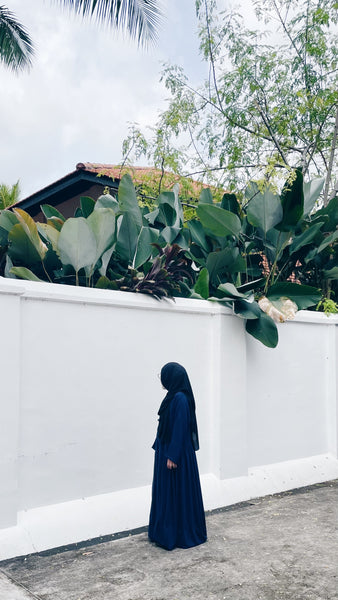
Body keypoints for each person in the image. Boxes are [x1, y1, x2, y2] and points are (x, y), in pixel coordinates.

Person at [148, 362, 207, 550]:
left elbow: (181, 428)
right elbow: (165, 425)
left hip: (176, 456)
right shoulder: (172, 396)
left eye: (163, 376)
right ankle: (164, 532)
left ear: (172, 377)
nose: (162, 379)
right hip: (166, 452)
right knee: (167, 493)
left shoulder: (180, 398)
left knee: (176, 493)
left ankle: (176, 534)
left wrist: (173, 456)